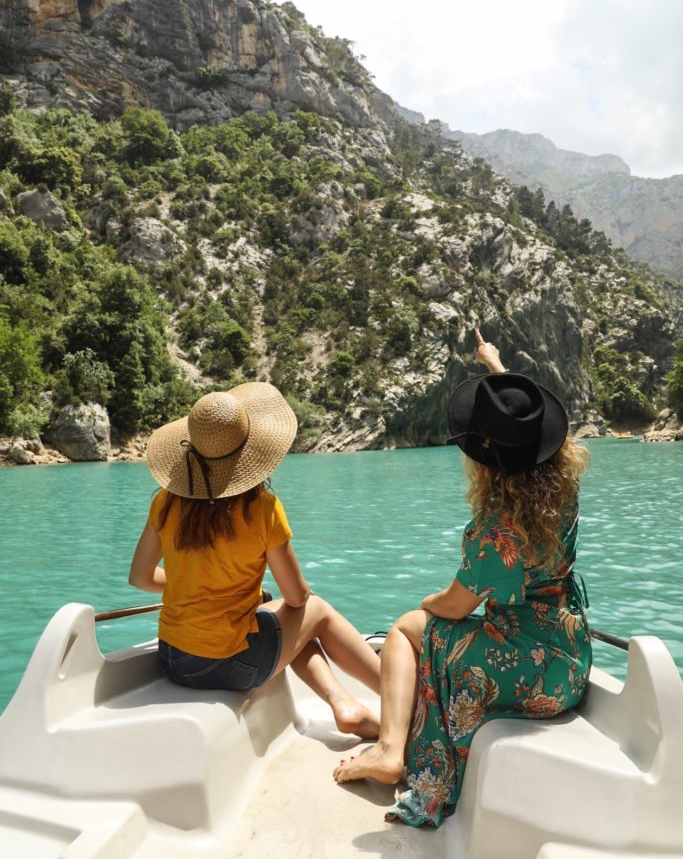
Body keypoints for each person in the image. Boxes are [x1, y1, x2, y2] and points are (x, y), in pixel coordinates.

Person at [333, 328, 592, 827]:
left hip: (521, 672)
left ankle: (390, 751)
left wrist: (427, 600)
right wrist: (496, 365)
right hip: (569, 665)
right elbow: (530, 424)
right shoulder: (564, 488)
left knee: (409, 628)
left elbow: (454, 607)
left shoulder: (496, 531)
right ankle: (394, 727)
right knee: (439, 639)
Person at [129, 382, 380, 738]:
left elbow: (140, 577)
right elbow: (297, 599)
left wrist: (190, 583)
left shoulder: (166, 503)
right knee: (315, 612)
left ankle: (344, 703)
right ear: (250, 454)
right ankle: (408, 704)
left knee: (281, 620)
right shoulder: (261, 510)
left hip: (173, 659)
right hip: (228, 665)